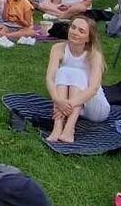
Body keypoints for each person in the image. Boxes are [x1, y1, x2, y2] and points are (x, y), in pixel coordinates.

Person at [46, 15, 107, 144]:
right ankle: (57, 127)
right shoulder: (58, 48)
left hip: (95, 106)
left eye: (81, 31)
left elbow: (93, 89)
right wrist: (58, 100)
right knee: (62, 71)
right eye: (73, 27)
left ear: (88, 38)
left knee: (77, 74)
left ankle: (69, 128)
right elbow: (50, 79)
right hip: (68, 105)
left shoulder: (94, 55)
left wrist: (67, 104)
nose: (75, 32)